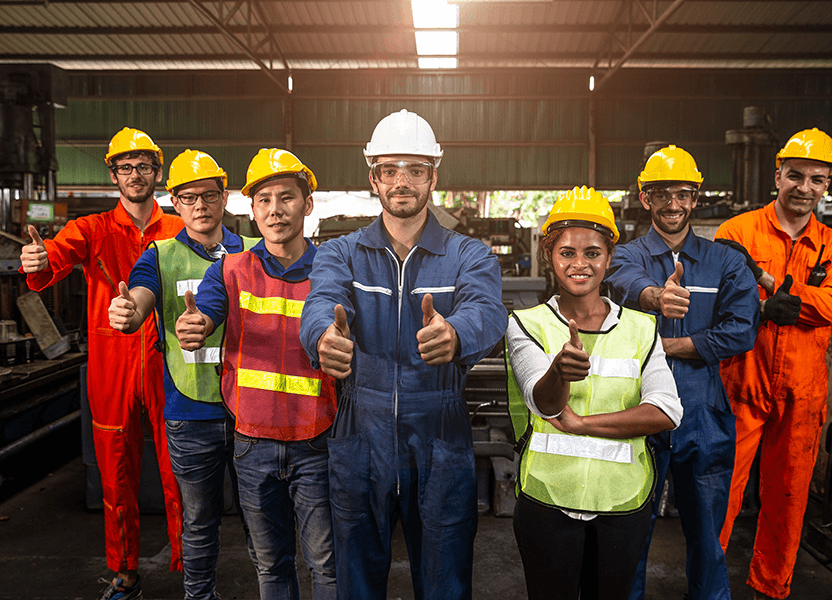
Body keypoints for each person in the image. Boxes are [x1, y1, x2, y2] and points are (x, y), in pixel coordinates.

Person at [298, 109, 507, 600]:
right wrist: (322, 339)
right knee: (356, 579)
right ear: (373, 178)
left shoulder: (467, 255)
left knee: (444, 578)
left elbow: (488, 310)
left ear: (433, 176)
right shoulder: (341, 253)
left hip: (439, 431)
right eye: (390, 169)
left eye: (415, 169)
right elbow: (319, 304)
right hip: (358, 430)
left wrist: (455, 333)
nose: (402, 181)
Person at [19, 127, 184, 600]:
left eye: (144, 166)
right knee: (116, 472)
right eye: (126, 167)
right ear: (114, 174)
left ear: (157, 172)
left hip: (167, 358)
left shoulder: (178, 229)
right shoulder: (91, 229)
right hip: (112, 363)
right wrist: (37, 258)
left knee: (181, 468)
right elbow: (54, 258)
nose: (136, 175)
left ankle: (189, 561)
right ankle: (125, 571)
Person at [174, 148, 337, 600]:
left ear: (307, 204)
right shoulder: (229, 269)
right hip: (253, 443)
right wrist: (196, 326)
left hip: (316, 441)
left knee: (326, 564)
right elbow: (206, 312)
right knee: (270, 564)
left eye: (286, 197)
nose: (275, 210)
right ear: (251, 209)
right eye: (263, 199)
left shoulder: (332, 270)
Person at [505, 186, 683, 600]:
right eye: (567, 252)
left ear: (609, 259)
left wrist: (583, 423)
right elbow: (543, 402)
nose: (580, 264)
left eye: (592, 253)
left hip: (622, 505)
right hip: (547, 502)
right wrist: (560, 373)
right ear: (550, 256)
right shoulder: (526, 323)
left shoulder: (642, 328)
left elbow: (666, 410)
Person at [602, 146, 760, 600]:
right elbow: (620, 282)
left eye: (683, 194)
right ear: (644, 198)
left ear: (696, 199)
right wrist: (654, 296)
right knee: (629, 533)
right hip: (636, 408)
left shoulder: (725, 261)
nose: (674, 204)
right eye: (662, 194)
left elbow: (741, 330)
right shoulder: (623, 256)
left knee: (707, 536)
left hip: (703, 412)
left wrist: (668, 346)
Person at [107, 149, 258, 600]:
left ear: (224, 197)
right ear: (174, 201)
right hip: (189, 414)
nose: (200, 206)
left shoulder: (255, 253)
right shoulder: (159, 256)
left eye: (209, 195)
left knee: (264, 522)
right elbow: (139, 299)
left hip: (251, 411)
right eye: (188, 197)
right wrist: (128, 312)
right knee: (198, 523)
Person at [714, 128, 832, 600]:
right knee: (719, 496)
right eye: (795, 175)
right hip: (740, 383)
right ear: (778, 175)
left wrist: (773, 290)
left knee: (788, 499)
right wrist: (759, 308)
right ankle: (706, 585)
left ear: (827, 185)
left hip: (802, 391)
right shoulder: (737, 232)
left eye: (817, 179)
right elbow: (717, 297)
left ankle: (770, 588)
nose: (804, 187)